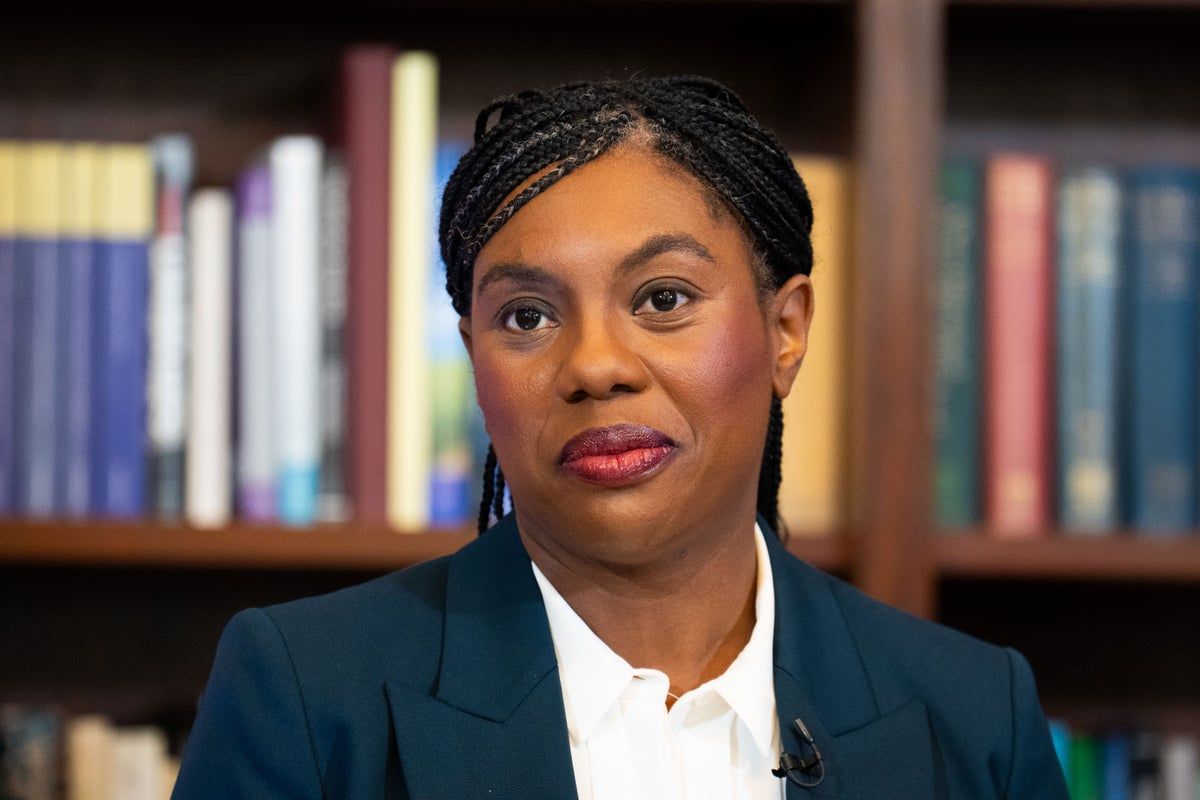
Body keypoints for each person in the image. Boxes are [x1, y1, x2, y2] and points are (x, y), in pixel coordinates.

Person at [171, 75, 1069, 799]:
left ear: (785, 331)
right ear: (475, 361)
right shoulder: (305, 694)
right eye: (527, 316)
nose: (595, 366)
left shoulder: (975, 714)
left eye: (662, 299)